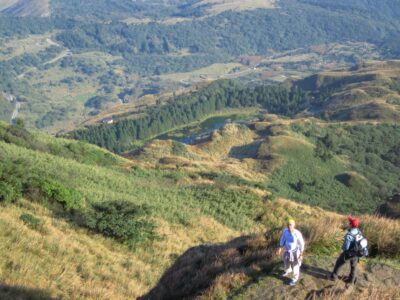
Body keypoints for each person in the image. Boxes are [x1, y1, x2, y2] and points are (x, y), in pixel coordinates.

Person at [329, 216, 362, 284]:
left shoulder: (349, 234)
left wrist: (343, 250)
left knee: (339, 263)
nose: (348, 223)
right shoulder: (359, 231)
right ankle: (351, 280)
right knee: (354, 266)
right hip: (356, 252)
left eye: (349, 223)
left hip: (349, 253)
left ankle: (334, 277)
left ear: (351, 225)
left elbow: (346, 247)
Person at [276, 218, 305, 286]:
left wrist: (301, 254)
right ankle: (287, 271)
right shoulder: (285, 231)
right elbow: (282, 239)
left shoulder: (297, 233)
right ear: (287, 225)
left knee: (295, 265)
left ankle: (294, 279)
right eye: (288, 225)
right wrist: (280, 248)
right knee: (286, 262)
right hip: (287, 250)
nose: (289, 226)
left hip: (295, 251)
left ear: (294, 225)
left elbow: (302, 244)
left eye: (291, 225)